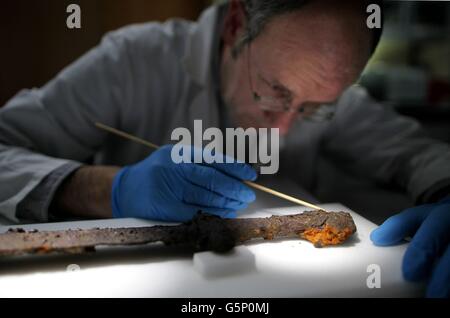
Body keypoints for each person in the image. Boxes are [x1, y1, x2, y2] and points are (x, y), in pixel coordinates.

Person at [0, 0, 448, 297]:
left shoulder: (324, 85)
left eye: (314, 108)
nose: (284, 129)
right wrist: (108, 187)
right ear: (237, 26)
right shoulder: (134, 61)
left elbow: (419, 154)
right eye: (274, 91)